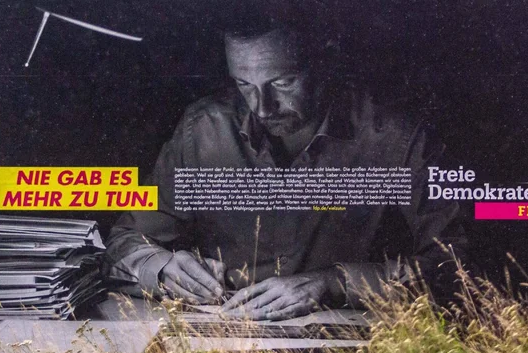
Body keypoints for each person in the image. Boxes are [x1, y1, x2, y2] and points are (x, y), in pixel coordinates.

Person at [103, 22, 464, 320]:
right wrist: (162, 267)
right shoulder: (204, 128)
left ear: (325, 62)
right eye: (244, 85)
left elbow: (458, 263)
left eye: (283, 82)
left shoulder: (398, 138)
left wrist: (336, 283)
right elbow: (124, 239)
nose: (262, 108)